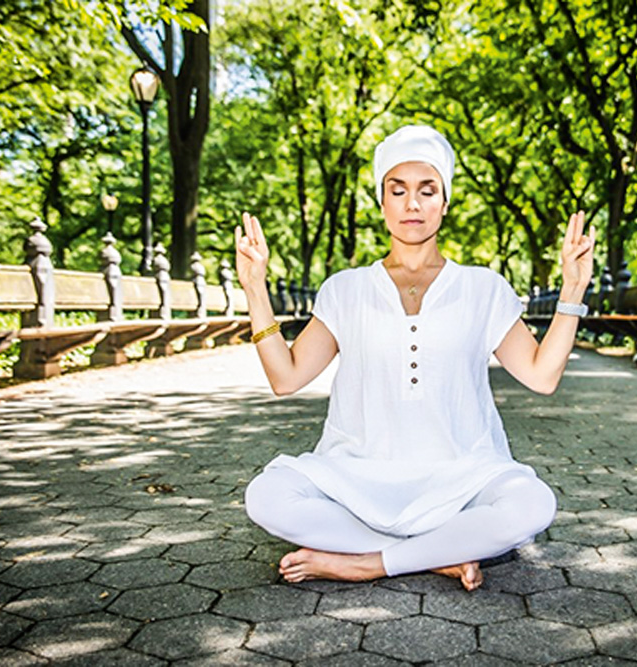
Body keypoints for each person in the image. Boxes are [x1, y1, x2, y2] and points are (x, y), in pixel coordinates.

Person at [237, 125, 595, 591]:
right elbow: (286, 378)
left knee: (532, 505)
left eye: (427, 191)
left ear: (444, 202)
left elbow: (543, 376)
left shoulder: (483, 288)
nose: (412, 204)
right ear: (381, 201)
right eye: (397, 190)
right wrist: (255, 289)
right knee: (266, 497)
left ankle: (365, 562)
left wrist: (573, 288)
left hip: (462, 474)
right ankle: (438, 555)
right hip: (358, 474)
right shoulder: (345, 290)